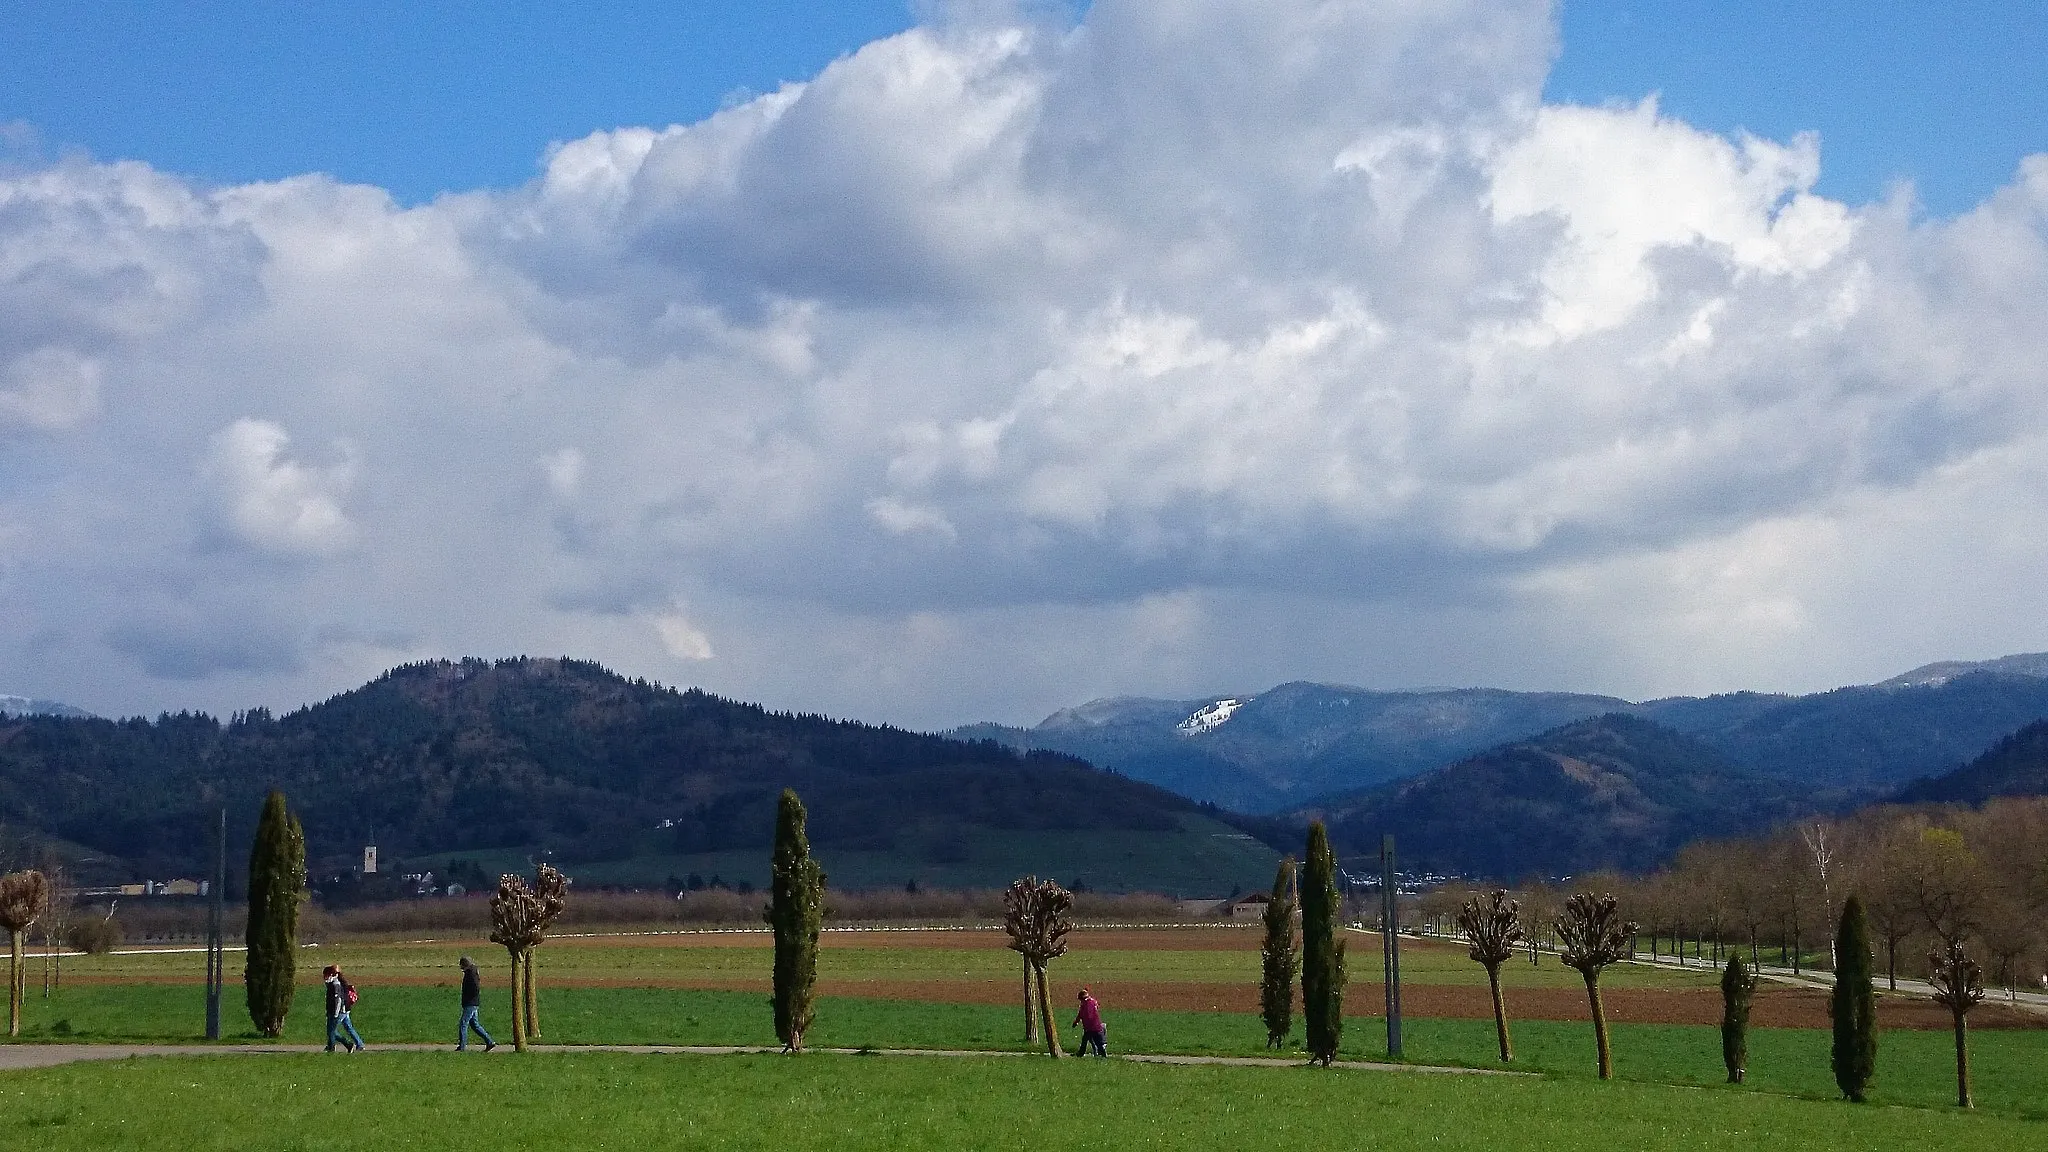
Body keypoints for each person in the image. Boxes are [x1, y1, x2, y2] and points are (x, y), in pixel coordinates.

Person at [457, 955, 495, 1052]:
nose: (461, 967)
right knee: (475, 1025)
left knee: (463, 1023)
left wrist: (470, 997)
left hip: (471, 1002)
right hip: (472, 1002)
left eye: (461, 965)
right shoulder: (472, 972)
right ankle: (490, 1042)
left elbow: (475, 988)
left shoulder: (471, 973)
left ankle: (462, 1047)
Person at [324, 964, 364, 1052]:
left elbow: (338, 1000)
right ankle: (358, 1044)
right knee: (347, 1027)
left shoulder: (337, 984)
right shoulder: (340, 983)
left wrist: (336, 1013)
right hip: (344, 1009)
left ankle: (340, 1045)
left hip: (340, 1011)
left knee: (332, 1031)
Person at [1073, 987, 1108, 1057]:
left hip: (1090, 1028)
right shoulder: (1093, 1001)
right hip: (1097, 1026)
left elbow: (1082, 1014)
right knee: (1095, 1042)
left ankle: (1081, 1054)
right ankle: (1102, 1054)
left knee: (1089, 1041)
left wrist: (1076, 1022)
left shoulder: (1085, 1004)